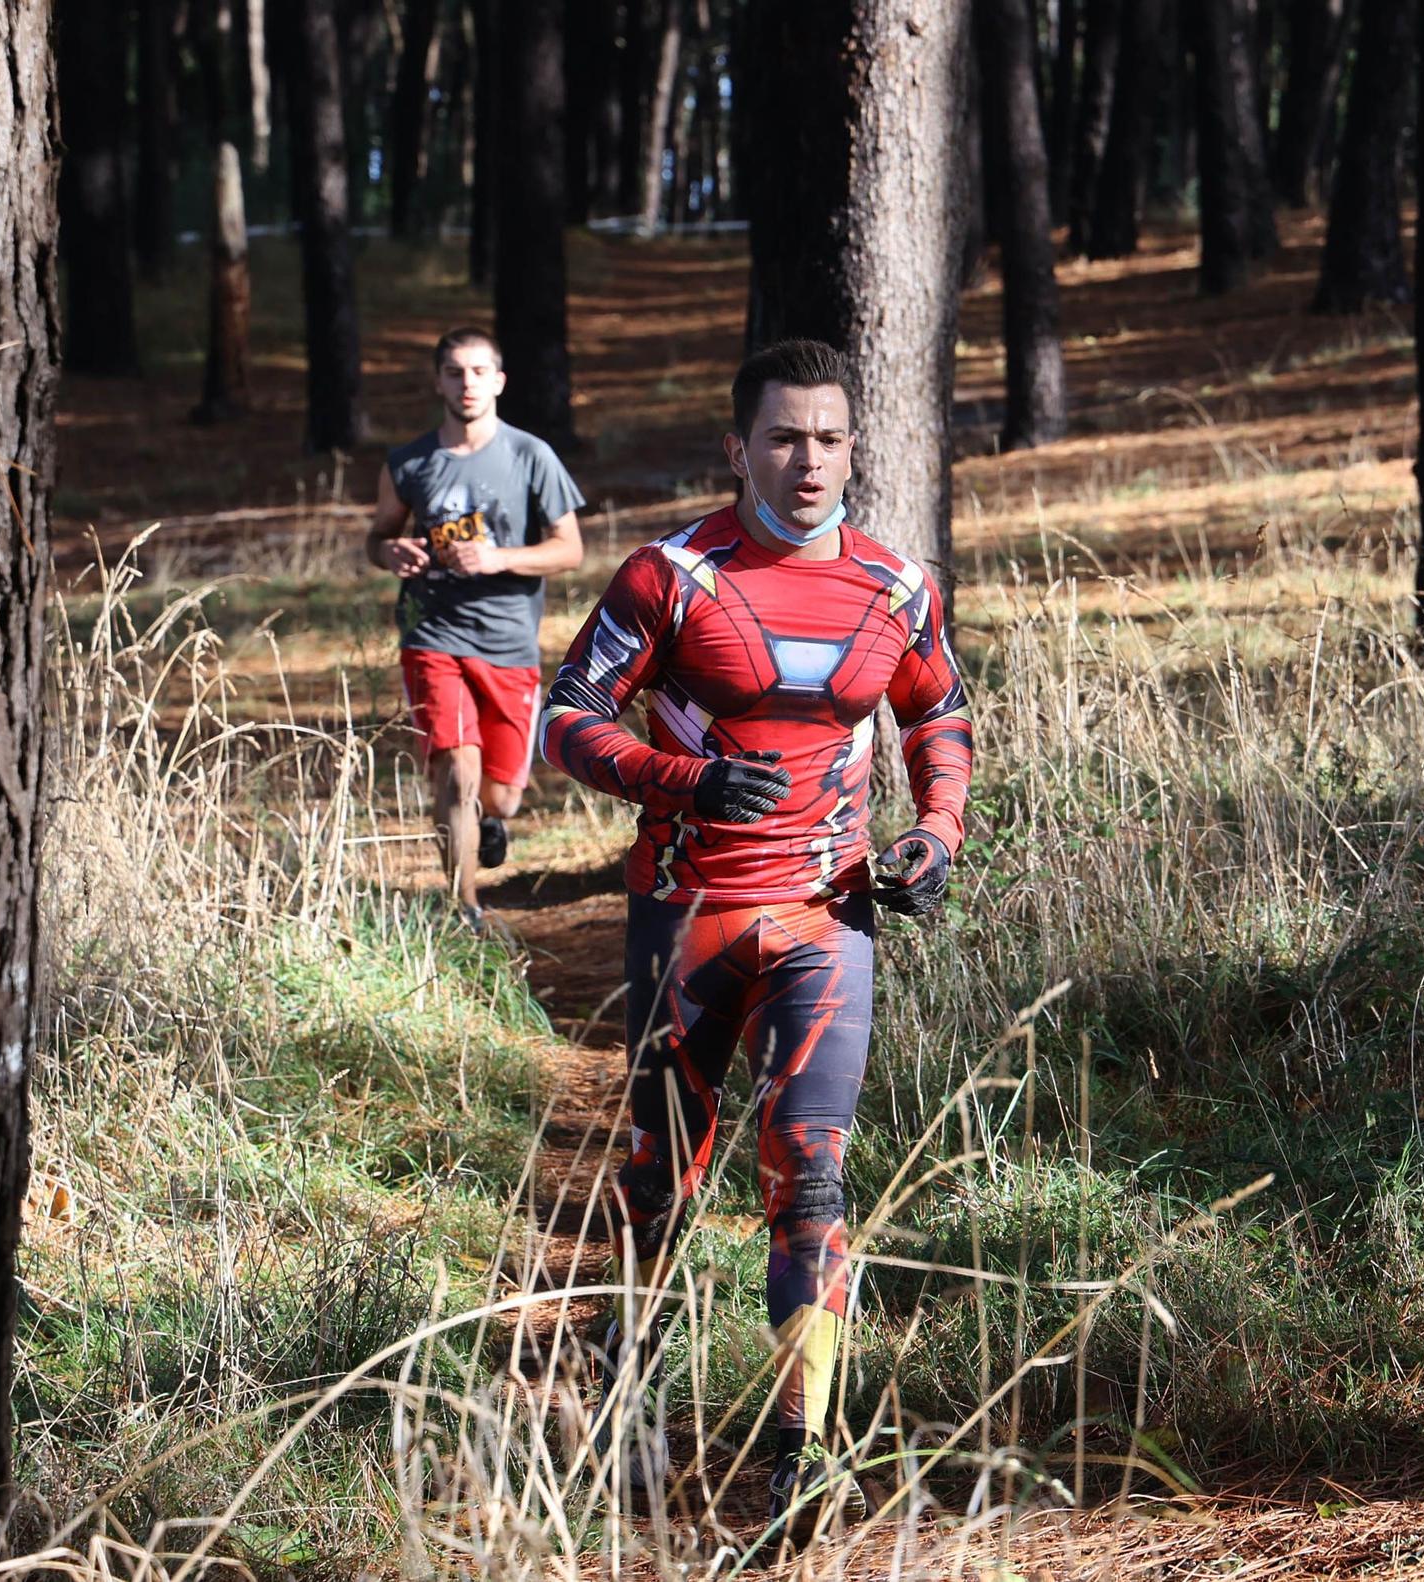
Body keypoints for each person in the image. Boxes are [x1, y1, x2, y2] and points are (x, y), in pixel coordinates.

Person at [540, 339, 972, 1543]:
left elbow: (936, 713)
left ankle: (803, 1456)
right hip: (684, 920)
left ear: (854, 447)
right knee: (656, 1182)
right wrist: (677, 778)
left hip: (830, 919)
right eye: (783, 437)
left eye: (829, 438)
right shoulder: (665, 577)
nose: (808, 461)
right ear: (738, 449)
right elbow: (564, 719)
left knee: (812, 1176)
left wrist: (933, 834)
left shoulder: (895, 586)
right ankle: (629, 1401)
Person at [367, 327, 585, 925]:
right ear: (438, 381)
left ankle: (490, 824)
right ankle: (465, 905)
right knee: (454, 767)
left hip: (508, 640)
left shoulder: (530, 455)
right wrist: (391, 554)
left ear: (499, 381)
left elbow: (569, 549)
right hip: (430, 631)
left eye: (478, 372)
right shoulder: (409, 461)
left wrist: (499, 558)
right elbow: (378, 537)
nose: (467, 384)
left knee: (502, 793)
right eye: (455, 372)